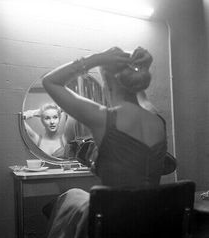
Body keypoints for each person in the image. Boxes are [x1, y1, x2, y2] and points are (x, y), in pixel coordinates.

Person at [42, 46, 168, 237]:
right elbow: (143, 99)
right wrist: (144, 68)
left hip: (114, 224)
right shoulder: (157, 121)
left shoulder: (103, 118)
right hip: (152, 221)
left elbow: (50, 81)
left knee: (71, 196)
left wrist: (94, 59)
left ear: (106, 83)